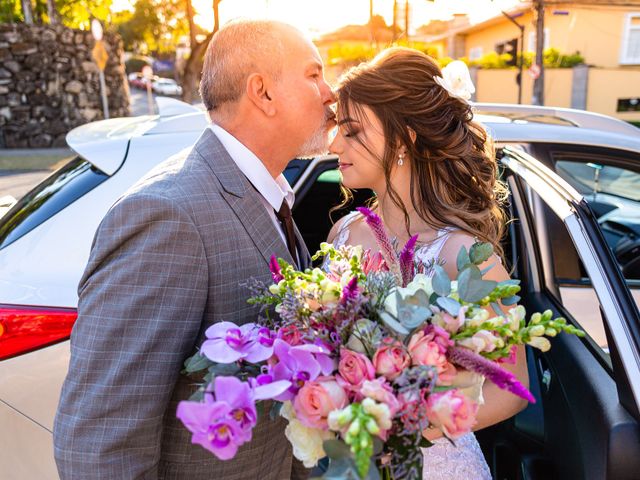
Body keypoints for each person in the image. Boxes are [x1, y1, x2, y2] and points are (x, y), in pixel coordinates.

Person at [53, 19, 336, 479]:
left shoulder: (267, 196)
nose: (330, 91)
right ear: (261, 92)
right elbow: (101, 444)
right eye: (313, 74)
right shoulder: (167, 216)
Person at [327, 47, 529, 479]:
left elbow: (511, 389)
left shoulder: (464, 256)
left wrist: (408, 428)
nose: (333, 144)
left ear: (403, 138)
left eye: (351, 131)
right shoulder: (342, 234)